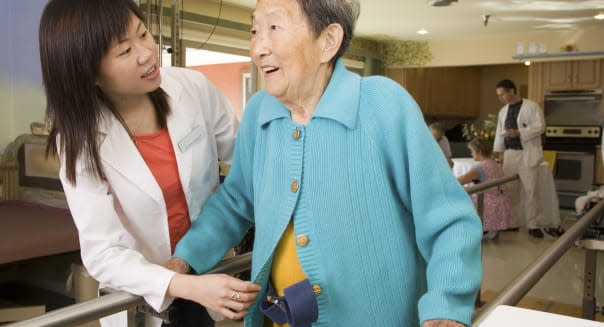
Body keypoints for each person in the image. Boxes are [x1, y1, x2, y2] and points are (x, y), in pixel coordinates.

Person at [166, 1, 483, 326]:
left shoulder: (382, 106)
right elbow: (234, 201)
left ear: (328, 41)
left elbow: (450, 221)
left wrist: (447, 304)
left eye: (274, 28)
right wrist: (185, 257)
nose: (259, 48)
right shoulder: (261, 112)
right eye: (254, 30)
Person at [38, 1, 260, 326]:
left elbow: (247, 167)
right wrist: (182, 283)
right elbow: (103, 253)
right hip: (140, 299)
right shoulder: (81, 142)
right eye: (125, 51)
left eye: (143, 33)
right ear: (89, 73)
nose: (146, 53)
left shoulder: (192, 89)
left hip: (205, 274)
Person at [493, 79, 564, 239]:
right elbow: (499, 133)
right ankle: (512, 222)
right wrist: (499, 154)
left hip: (528, 153)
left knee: (531, 190)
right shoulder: (502, 111)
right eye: (499, 95)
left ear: (512, 91)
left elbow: (541, 126)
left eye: (502, 94)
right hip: (510, 154)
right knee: (509, 190)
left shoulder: (532, 106)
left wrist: (519, 132)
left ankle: (533, 224)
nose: (501, 98)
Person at [457, 138, 518, 240]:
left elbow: (460, 181)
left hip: (488, 202)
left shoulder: (480, 168)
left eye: (472, 151)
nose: (471, 154)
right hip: (500, 201)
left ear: (479, 152)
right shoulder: (494, 164)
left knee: (461, 198)